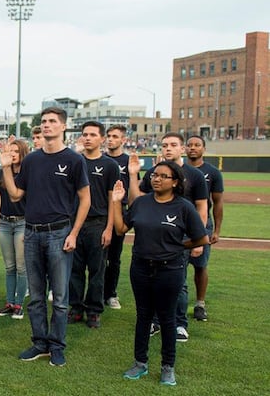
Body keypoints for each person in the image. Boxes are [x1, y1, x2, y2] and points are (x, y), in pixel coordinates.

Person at [0, 107, 90, 367]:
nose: (47, 125)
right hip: (32, 233)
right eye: (44, 122)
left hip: (60, 233)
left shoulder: (74, 160)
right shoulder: (32, 160)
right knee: (37, 297)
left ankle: (57, 346)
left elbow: (85, 199)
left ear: (63, 126)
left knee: (60, 299)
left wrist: (73, 233)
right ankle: (40, 343)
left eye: (52, 122)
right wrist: (6, 168)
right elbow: (16, 194)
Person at [113, 160, 208, 386]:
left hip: (170, 270)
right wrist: (116, 203)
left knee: (167, 318)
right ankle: (140, 363)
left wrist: (176, 247)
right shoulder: (141, 203)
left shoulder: (184, 207)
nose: (156, 178)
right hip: (141, 268)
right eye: (154, 175)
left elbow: (201, 238)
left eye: (163, 176)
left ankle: (168, 367)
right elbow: (120, 229)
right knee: (143, 317)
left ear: (175, 182)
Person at [128, 132, 208, 342]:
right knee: (153, 283)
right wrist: (133, 175)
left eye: (173, 145)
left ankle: (180, 323)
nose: (168, 148)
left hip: (179, 239)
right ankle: (155, 321)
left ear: (181, 148)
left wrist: (196, 240)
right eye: (164, 145)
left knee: (179, 284)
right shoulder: (154, 173)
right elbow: (137, 201)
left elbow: (201, 206)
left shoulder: (195, 175)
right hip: (155, 239)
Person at [68, 121, 119, 329]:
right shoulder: (75, 162)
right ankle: (76, 307)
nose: (87, 138)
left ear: (101, 139)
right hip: (75, 223)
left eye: (92, 135)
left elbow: (112, 199)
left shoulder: (109, 166)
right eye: (84, 134)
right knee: (75, 269)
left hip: (98, 223)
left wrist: (109, 228)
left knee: (97, 271)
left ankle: (94, 310)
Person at [185, 135, 224, 322]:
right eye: (190, 145)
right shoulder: (176, 170)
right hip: (177, 224)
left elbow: (217, 202)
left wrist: (216, 230)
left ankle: (200, 304)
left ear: (204, 149)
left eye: (197, 145)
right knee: (176, 267)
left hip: (202, 224)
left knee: (200, 265)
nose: (193, 148)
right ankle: (176, 304)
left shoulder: (212, 172)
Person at [0, 139, 29, 319]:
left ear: (23, 153)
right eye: (10, 150)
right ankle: (9, 302)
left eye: (16, 151)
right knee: (9, 267)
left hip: (23, 222)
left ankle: (19, 304)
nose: (13, 154)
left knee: (21, 267)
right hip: (5, 223)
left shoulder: (28, 174)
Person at [103, 125, 131, 310]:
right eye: (109, 136)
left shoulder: (129, 162)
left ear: (123, 140)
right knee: (96, 258)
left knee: (114, 258)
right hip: (100, 212)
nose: (110, 139)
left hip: (120, 211)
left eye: (115, 136)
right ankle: (95, 293)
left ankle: (111, 294)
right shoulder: (101, 159)